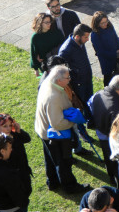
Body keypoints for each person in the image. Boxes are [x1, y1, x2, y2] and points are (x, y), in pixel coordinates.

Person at [34, 65, 91, 194]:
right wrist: (73, 121)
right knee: (63, 162)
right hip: (55, 134)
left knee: (50, 158)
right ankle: (70, 186)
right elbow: (57, 124)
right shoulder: (54, 97)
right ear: (59, 80)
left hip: (43, 130)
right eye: (67, 77)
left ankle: (53, 182)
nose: (69, 79)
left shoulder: (48, 82)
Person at [58, 23, 94, 105]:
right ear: (77, 37)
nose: (88, 39)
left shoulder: (81, 43)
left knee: (90, 101)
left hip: (87, 79)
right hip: (78, 84)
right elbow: (61, 69)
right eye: (86, 37)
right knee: (82, 104)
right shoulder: (66, 50)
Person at [90, 11, 119, 86]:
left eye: (106, 21)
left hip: (117, 55)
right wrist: (115, 54)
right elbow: (100, 52)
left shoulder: (109, 26)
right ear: (97, 23)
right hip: (106, 61)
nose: (105, 24)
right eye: (102, 23)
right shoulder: (95, 34)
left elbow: (116, 38)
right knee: (108, 80)